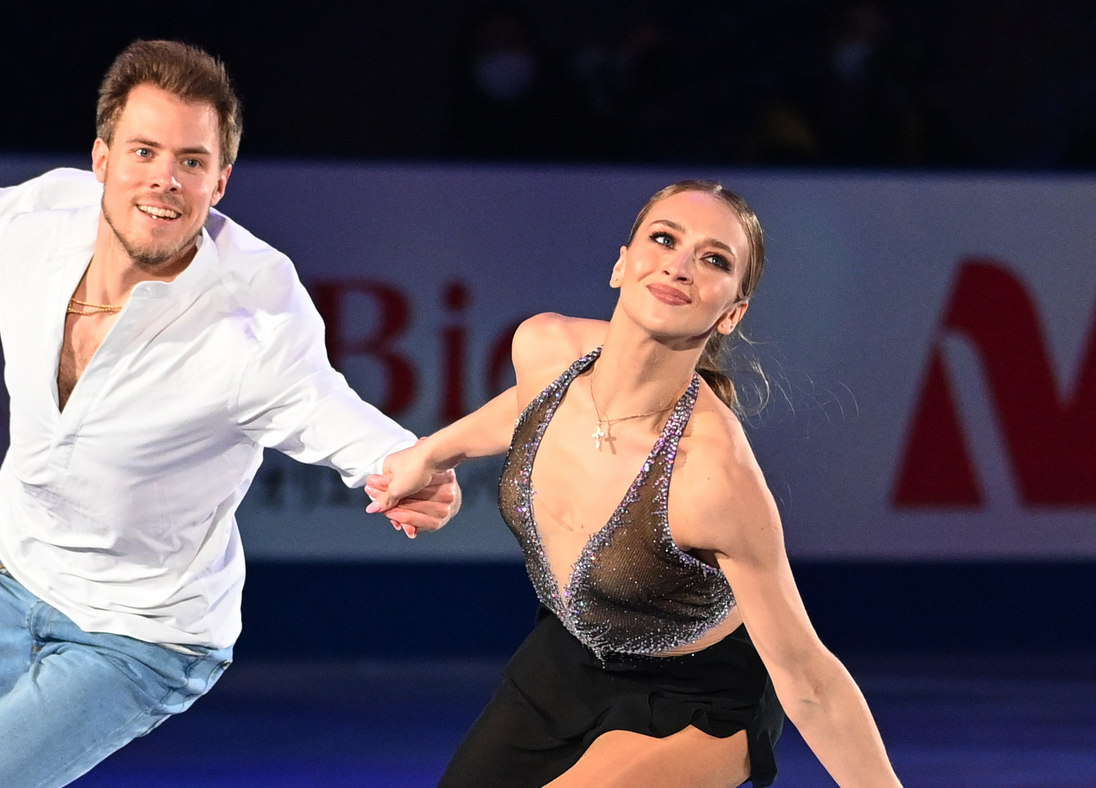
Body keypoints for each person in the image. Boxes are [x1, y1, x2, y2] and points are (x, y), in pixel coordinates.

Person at [0, 39, 458, 787]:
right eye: (144, 152)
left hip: (141, 636)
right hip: (9, 580)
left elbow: (331, 412)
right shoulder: (37, 226)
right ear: (102, 159)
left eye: (192, 162)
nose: (164, 180)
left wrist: (414, 469)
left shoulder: (252, 319)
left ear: (220, 182)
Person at [366, 181, 901, 787]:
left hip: (697, 702)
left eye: (714, 259)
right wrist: (432, 453)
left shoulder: (711, 476)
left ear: (732, 313)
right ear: (622, 264)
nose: (680, 265)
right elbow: (532, 405)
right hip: (563, 667)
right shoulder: (547, 349)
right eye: (665, 239)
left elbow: (809, 681)